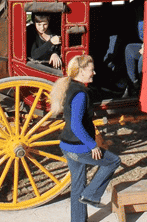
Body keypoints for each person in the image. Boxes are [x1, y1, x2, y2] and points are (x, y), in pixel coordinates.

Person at [50, 55, 121, 222]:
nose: (94, 73)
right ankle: (91, 195)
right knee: (113, 161)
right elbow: (76, 124)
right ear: (81, 71)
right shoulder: (81, 94)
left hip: (67, 145)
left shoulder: (70, 86)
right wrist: (92, 146)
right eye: (91, 70)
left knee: (77, 186)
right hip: (79, 147)